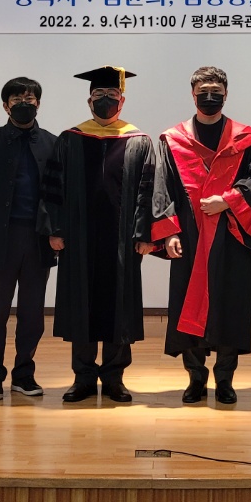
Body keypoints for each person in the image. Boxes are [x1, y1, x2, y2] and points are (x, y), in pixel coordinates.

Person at [41, 66, 163, 403]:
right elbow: (53, 189)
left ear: (122, 101)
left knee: (119, 306)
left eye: (111, 95)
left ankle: (114, 378)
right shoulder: (70, 138)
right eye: (99, 95)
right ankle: (82, 377)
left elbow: (148, 191)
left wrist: (144, 233)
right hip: (77, 238)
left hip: (122, 240)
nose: (105, 100)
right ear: (89, 100)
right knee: (81, 304)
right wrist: (55, 230)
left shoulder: (139, 141)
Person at [151, 66, 251, 406]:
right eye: (203, 91)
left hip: (231, 234)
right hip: (189, 236)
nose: (210, 97)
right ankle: (196, 377)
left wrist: (228, 200)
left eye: (216, 91)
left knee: (231, 304)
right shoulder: (173, 140)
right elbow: (162, 188)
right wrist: (169, 231)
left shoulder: (246, 139)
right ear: (193, 95)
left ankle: (225, 378)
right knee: (189, 300)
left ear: (226, 94)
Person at [0, 76, 58, 402]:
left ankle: (24, 374)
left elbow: (58, 195)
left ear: (38, 103)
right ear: (6, 106)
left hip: (38, 241)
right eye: (17, 99)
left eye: (29, 98)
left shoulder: (52, 143)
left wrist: (57, 232)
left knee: (33, 315)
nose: (24, 103)